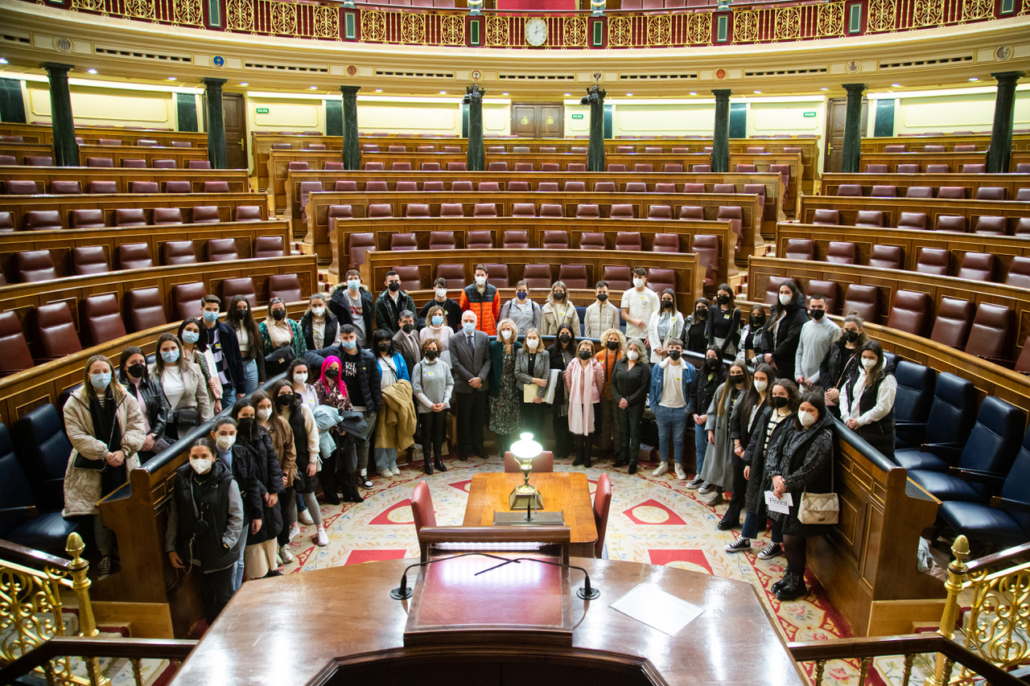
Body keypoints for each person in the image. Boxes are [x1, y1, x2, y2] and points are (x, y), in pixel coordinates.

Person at [63, 355, 147, 580]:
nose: (102, 376)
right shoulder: (74, 402)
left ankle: (127, 553)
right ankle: (105, 557)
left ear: (112, 372)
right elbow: (77, 435)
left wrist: (123, 451)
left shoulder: (123, 396)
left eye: (105, 371)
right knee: (100, 512)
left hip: (125, 461)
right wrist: (105, 453)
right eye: (96, 372)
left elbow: (137, 426)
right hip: (93, 466)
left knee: (124, 508)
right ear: (88, 376)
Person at [165, 438, 244, 623]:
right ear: (189, 458)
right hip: (196, 552)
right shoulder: (183, 480)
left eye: (204, 456)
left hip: (221, 551)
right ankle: (212, 637)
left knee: (224, 597)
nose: (199, 460)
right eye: (195, 456)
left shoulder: (227, 481)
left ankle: (233, 633)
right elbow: (174, 515)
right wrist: (171, 547)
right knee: (206, 597)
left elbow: (236, 515)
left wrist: (227, 542)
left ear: (214, 457)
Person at [767, 390, 835, 601]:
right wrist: (775, 475)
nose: (805, 414)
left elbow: (810, 470)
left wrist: (784, 484)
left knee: (792, 538)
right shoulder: (792, 427)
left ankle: (797, 582)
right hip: (785, 490)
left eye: (810, 410)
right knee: (787, 535)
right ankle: (790, 575)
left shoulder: (823, 437)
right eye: (802, 409)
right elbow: (774, 451)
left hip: (802, 495)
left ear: (820, 413)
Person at [725, 378, 800, 560]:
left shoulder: (794, 418)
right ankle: (745, 538)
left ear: (790, 395)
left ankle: (775, 543)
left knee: (776, 506)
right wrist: (749, 462)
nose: (777, 397)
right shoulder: (768, 412)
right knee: (752, 501)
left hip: (778, 469)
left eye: (781, 394)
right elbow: (756, 438)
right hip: (760, 464)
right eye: (775, 394)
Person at [270, 380, 327, 552]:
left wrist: (312, 459)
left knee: (309, 495)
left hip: (303, 459)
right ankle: (294, 526)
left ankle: (320, 528)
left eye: (288, 392)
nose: (285, 396)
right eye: (281, 393)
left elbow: (312, 434)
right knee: (290, 496)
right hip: (285, 462)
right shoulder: (273, 413)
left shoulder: (303, 409)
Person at [720, 363, 775, 530]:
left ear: (769, 380)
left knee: (755, 491)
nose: (759, 382)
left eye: (762, 379)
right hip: (740, 450)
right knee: (737, 489)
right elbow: (735, 421)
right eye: (756, 378)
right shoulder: (748, 396)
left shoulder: (772, 403)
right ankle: (732, 517)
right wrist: (737, 444)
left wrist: (750, 454)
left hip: (759, 454)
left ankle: (757, 522)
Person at [327, 325, 381, 488]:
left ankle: (363, 474)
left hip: (366, 407)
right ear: (340, 339)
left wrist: (376, 406)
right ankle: (348, 478)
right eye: (345, 338)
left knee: (364, 441)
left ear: (355, 337)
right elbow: (312, 355)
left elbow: (375, 383)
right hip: (347, 409)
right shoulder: (335, 355)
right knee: (347, 444)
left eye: (351, 337)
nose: (348, 341)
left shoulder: (368, 356)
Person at [209, 417, 260, 592]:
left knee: (239, 558)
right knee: (226, 560)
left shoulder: (242, 452)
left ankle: (236, 594)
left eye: (231, 433)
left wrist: (257, 515)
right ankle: (227, 596)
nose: (227, 437)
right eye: (223, 434)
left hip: (242, 512)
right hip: (219, 515)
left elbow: (252, 484)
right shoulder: (209, 456)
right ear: (213, 435)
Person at [699, 362, 753, 506]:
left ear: (745, 373)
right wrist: (710, 429)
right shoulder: (723, 389)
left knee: (735, 468)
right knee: (717, 464)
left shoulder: (750, 392)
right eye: (733, 373)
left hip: (739, 437)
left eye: (739, 372)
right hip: (720, 433)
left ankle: (738, 496)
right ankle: (717, 493)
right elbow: (712, 410)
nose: (735, 376)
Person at [252, 390, 294, 570]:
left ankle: (284, 545)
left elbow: (291, 450)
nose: (266, 410)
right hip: (265, 482)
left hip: (285, 479)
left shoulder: (281, 423)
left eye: (268, 406)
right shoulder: (252, 429)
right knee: (270, 515)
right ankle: (273, 549)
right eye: (261, 407)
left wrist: (284, 474)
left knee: (284, 512)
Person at [314, 355, 361, 504]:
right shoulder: (318, 386)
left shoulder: (342, 384)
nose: (333, 371)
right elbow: (320, 411)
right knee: (329, 465)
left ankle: (349, 493)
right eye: (330, 368)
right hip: (327, 431)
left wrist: (346, 426)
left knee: (345, 464)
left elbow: (348, 405)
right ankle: (331, 495)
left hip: (343, 429)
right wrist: (334, 426)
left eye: (336, 369)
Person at [840, 341, 897, 460]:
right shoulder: (857, 370)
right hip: (853, 427)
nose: (866, 361)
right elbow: (845, 392)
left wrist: (859, 421)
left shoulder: (886, 378)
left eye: (871, 358)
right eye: (864, 357)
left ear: (879, 358)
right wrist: (846, 417)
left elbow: (883, 408)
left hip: (876, 435)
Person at [650, 339, 696, 479]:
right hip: (662, 409)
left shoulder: (690, 369)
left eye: (677, 348)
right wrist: (654, 407)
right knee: (662, 438)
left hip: (680, 410)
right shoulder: (658, 367)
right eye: (672, 348)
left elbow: (693, 392)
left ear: (682, 351)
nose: (674, 350)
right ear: (667, 350)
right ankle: (663, 463)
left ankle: (678, 465)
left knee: (678, 440)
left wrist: (688, 409)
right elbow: (652, 388)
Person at [152, 332, 212, 439]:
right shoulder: (151, 373)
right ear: (159, 352)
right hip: (164, 427)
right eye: (165, 349)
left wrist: (205, 426)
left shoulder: (194, 369)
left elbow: (203, 399)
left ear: (179, 349)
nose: (170, 352)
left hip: (188, 424)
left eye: (173, 348)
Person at [450, 311, 491, 461]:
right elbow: (455, 363)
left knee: (478, 419)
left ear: (476, 321)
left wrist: (480, 378)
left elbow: (487, 360)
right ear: (461, 322)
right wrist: (471, 379)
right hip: (463, 386)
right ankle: (464, 449)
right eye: (466, 320)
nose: (468, 322)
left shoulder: (484, 337)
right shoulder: (454, 338)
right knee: (464, 420)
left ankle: (478, 447)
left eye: (471, 320)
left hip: (481, 386)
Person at [373, 329, 414, 477]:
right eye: (381, 341)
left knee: (393, 431)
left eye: (387, 340)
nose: (385, 343)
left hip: (395, 399)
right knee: (381, 433)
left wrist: (397, 395)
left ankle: (393, 462)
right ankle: (381, 464)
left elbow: (404, 378)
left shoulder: (397, 357)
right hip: (380, 400)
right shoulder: (372, 358)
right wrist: (380, 397)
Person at [118, 347, 170, 463]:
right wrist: (138, 441)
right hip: (132, 447)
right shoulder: (118, 390)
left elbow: (163, 413)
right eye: (133, 362)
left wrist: (152, 436)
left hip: (153, 440)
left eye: (141, 362)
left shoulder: (152, 384)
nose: (138, 365)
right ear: (125, 366)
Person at [687, 346, 726, 489]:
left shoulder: (724, 375)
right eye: (708, 356)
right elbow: (694, 393)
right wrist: (695, 413)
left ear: (719, 357)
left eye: (713, 356)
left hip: (714, 420)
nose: (710, 359)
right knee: (700, 448)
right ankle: (700, 473)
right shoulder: (702, 373)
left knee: (712, 450)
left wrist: (707, 416)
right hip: (699, 418)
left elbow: (722, 401)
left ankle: (710, 478)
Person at [412, 338, 453, 475]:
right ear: (424, 350)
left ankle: (438, 461)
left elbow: (449, 383)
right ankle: (427, 463)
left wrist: (444, 401)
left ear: (438, 350)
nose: (431, 351)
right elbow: (417, 389)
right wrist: (430, 404)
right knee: (427, 435)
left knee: (438, 434)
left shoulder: (443, 365)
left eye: (434, 349)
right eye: (429, 349)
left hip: (441, 406)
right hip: (425, 408)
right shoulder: (419, 367)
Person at [611, 338, 650, 474]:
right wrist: (619, 399)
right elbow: (613, 383)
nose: (632, 352)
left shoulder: (644, 367)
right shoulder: (619, 364)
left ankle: (633, 461)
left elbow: (643, 389)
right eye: (630, 349)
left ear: (640, 352)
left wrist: (628, 400)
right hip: (620, 404)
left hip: (636, 405)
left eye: (635, 350)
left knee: (634, 433)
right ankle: (623, 457)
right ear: (626, 349)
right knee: (623, 431)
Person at [820, 314, 869, 419]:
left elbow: (862, 377)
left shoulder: (865, 351)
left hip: (849, 400)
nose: (849, 332)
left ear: (860, 330)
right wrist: (829, 388)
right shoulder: (836, 346)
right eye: (846, 329)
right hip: (829, 396)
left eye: (853, 330)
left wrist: (840, 392)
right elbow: (823, 367)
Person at [564, 340, 604, 468]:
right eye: (583, 349)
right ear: (578, 350)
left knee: (589, 429)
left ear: (591, 352)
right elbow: (568, 382)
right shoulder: (572, 364)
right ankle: (579, 455)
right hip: (576, 401)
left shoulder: (596, 366)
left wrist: (592, 394)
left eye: (588, 350)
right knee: (578, 429)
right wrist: (574, 395)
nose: (585, 351)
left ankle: (588, 457)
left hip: (592, 402)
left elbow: (600, 384)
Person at [199, 295, 246, 405]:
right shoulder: (196, 331)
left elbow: (237, 360)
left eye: (215, 310)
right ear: (202, 310)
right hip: (205, 388)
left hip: (227, 385)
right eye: (208, 309)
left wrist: (240, 388)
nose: (212, 312)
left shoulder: (227, 331)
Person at [762, 279, 809, 380]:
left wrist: (774, 356)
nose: (783, 295)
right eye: (781, 292)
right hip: (771, 360)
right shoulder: (777, 310)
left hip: (787, 364)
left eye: (787, 292)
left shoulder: (800, 313)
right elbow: (765, 331)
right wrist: (767, 354)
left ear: (794, 294)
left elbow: (792, 340)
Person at [488, 318, 522, 457]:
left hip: (513, 386)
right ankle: (501, 445)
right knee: (498, 415)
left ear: (513, 331)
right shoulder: (494, 345)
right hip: (498, 384)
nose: (506, 331)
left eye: (508, 329)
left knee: (511, 415)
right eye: (503, 329)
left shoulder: (518, 346)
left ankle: (508, 446)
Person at [794, 294, 841, 389]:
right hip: (803, 383)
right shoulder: (806, 326)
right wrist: (798, 373)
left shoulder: (834, 330)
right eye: (813, 307)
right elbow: (799, 352)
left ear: (826, 308)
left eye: (820, 306)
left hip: (820, 384)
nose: (816, 309)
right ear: (809, 307)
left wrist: (815, 377)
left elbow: (833, 360)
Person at [178, 318, 222, 413]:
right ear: (182, 331)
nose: (191, 333)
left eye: (195, 331)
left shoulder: (204, 350)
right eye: (188, 330)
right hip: (186, 399)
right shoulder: (176, 351)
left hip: (206, 395)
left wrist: (218, 399)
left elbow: (213, 373)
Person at [515, 327, 551, 445]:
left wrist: (539, 395)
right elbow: (517, 373)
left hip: (539, 394)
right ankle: (527, 446)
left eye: (534, 338)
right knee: (527, 421)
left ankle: (538, 445)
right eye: (529, 338)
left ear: (538, 339)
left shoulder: (545, 354)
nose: (531, 340)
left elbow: (545, 376)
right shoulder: (520, 352)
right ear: (525, 339)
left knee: (538, 421)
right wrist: (534, 380)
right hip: (523, 391)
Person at [547, 324, 577, 461]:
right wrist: (560, 374)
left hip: (573, 389)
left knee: (569, 420)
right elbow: (547, 370)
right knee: (557, 419)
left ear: (571, 335)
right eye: (562, 332)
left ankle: (568, 447)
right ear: (558, 335)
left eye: (567, 332)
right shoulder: (551, 350)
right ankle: (559, 446)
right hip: (557, 389)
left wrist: (570, 374)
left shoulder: (576, 350)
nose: (565, 335)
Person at [594, 328, 625, 462]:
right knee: (605, 422)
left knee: (617, 423)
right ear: (606, 340)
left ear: (619, 341)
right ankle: (604, 449)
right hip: (603, 393)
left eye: (615, 339)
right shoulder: (599, 355)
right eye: (610, 339)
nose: (612, 341)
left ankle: (618, 450)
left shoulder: (623, 355)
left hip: (618, 393)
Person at [227, 295, 266, 394]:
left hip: (250, 364)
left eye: (244, 307)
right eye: (238, 308)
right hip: (235, 365)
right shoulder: (227, 327)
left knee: (252, 396)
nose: (242, 310)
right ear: (233, 309)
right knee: (237, 397)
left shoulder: (253, 326)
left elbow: (259, 352)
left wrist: (262, 378)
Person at [259, 297, 307, 377]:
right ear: (270, 311)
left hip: (292, 367)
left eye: (281, 308)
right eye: (275, 309)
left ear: (285, 309)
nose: (278, 311)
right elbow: (260, 354)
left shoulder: (293, 324)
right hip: (274, 369)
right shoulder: (262, 327)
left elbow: (302, 347)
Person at [329, 270, 374, 349]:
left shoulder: (367, 298)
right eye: (350, 279)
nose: (353, 281)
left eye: (356, 278)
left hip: (365, 340)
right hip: (348, 341)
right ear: (346, 282)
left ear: (360, 281)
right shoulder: (337, 300)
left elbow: (370, 318)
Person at [459, 264, 500, 335]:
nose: (480, 277)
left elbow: (496, 312)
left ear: (486, 276)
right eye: (478, 275)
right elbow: (464, 310)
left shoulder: (494, 290)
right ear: (474, 276)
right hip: (473, 329)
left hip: (489, 330)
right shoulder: (467, 291)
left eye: (482, 275)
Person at [647, 288, 684, 364]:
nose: (666, 300)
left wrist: (670, 348)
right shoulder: (654, 315)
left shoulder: (678, 316)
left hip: (670, 351)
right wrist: (655, 348)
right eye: (664, 298)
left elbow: (680, 334)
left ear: (673, 300)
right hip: (657, 350)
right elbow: (651, 332)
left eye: (669, 299)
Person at [374, 270, 416, 336]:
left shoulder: (407, 300)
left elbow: (414, 319)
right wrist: (395, 337)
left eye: (396, 281)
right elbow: (381, 323)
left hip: (407, 335)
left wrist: (407, 334)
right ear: (386, 283)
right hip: (389, 337)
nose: (394, 283)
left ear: (400, 282)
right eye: (391, 281)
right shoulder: (380, 302)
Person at [707, 284, 741, 359]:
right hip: (713, 343)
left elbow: (731, 333)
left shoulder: (735, 312)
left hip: (727, 346)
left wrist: (721, 351)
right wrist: (711, 347)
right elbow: (710, 329)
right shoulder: (713, 309)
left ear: (730, 296)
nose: (721, 297)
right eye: (719, 295)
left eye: (725, 295)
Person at [392, 310, 421, 377]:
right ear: (399, 323)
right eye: (405, 322)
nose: (408, 324)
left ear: (413, 322)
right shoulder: (396, 340)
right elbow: (401, 362)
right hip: (409, 373)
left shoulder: (415, 333)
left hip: (420, 371)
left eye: (410, 321)